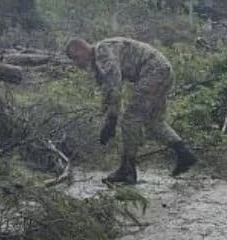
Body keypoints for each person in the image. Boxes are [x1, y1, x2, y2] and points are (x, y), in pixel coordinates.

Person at [66, 36, 197, 184]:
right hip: (162, 71)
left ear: (83, 48)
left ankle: (127, 169)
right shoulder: (99, 60)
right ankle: (184, 154)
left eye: (76, 58)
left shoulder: (102, 52)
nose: (76, 63)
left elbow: (114, 86)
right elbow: (108, 91)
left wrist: (111, 121)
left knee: (130, 119)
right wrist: (109, 116)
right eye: (73, 60)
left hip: (154, 71)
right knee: (154, 121)